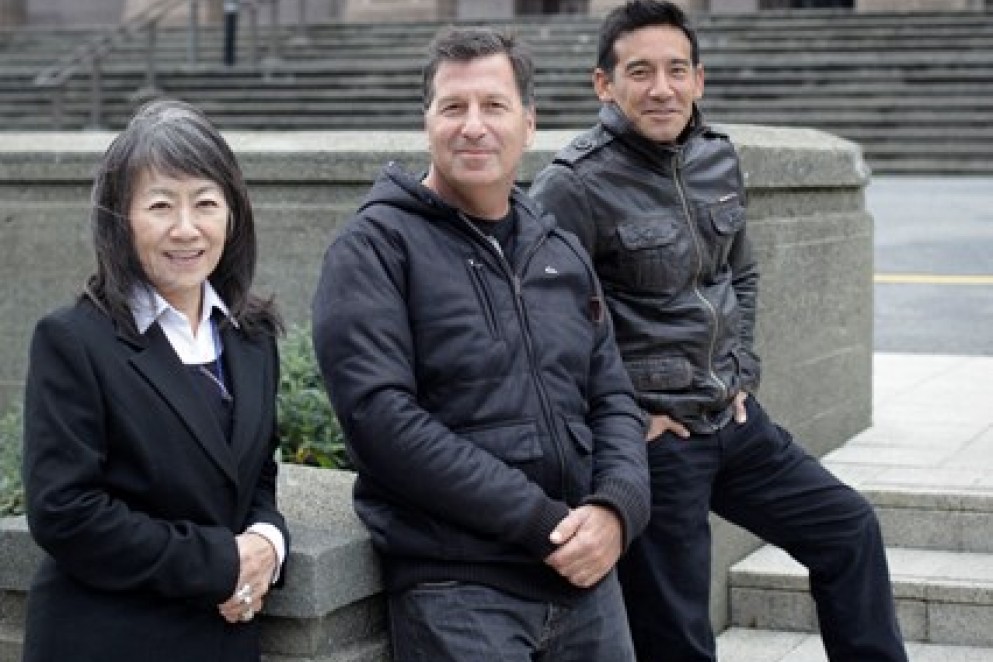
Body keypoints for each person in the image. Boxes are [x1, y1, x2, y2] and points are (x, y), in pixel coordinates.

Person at [529, 2, 908, 661]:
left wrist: (740, 371)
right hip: (655, 443)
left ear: (698, 80)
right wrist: (626, 416)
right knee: (677, 636)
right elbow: (541, 324)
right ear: (603, 85)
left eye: (677, 70)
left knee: (847, 528)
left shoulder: (715, 157)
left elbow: (742, 273)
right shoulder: (573, 184)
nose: (661, 88)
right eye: (640, 71)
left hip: (730, 419)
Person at [312, 27, 650, 662]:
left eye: (493, 106)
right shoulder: (374, 248)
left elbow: (611, 397)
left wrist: (617, 508)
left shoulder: (559, 248)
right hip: (458, 589)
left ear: (528, 123)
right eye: (453, 107)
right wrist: (538, 522)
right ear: (426, 122)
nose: (473, 126)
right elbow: (381, 422)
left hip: (585, 584)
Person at [21, 98, 289, 662]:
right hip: (107, 637)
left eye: (206, 204)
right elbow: (66, 512)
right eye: (161, 205)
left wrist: (268, 542)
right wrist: (221, 563)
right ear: (120, 219)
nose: (186, 229)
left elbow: (255, 476)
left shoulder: (251, 337)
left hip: (223, 639)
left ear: (232, 214)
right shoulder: (74, 341)